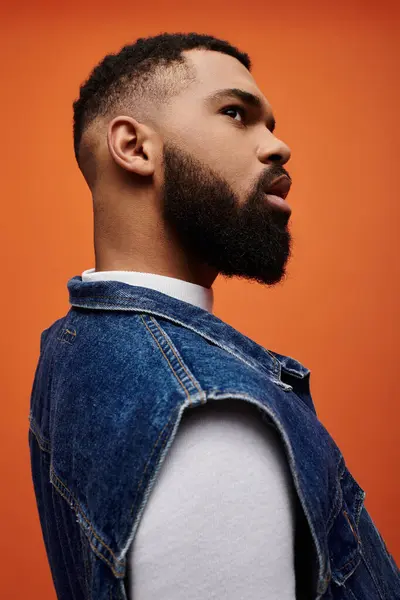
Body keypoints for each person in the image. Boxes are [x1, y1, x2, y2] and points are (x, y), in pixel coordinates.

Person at [28, 32, 399, 600]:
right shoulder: (208, 418)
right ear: (133, 147)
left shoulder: (75, 341)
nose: (278, 147)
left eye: (269, 123)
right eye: (235, 114)